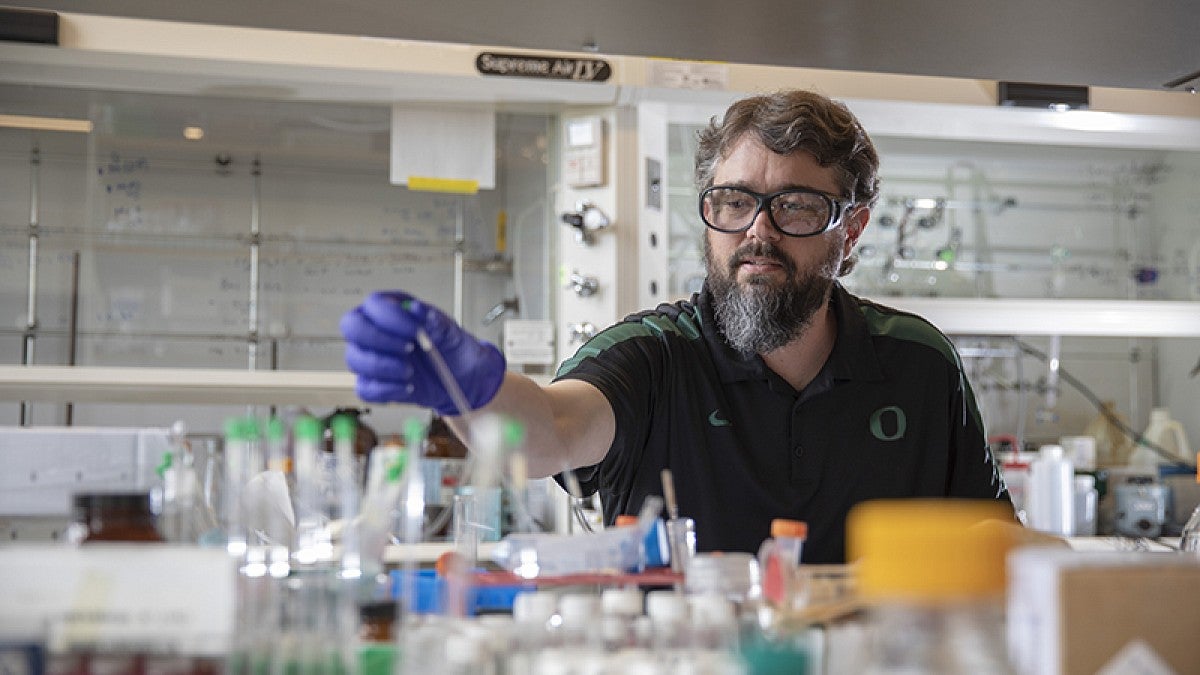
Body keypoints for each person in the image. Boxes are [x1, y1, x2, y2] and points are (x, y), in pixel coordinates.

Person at [341, 89, 1011, 563]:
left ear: (853, 228)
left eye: (797, 207)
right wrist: (471, 384)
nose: (759, 232)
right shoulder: (654, 357)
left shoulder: (919, 364)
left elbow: (993, 536)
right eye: (735, 201)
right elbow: (546, 433)